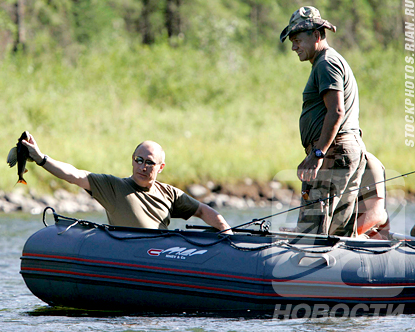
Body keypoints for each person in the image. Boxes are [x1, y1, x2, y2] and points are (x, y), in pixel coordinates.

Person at [21, 134, 233, 234]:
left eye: (149, 163)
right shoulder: (113, 187)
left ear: (160, 167)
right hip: (127, 257)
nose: (142, 166)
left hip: (161, 258)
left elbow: (204, 211)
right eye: (138, 160)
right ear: (132, 160)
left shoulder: (170, 194)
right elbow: (74, 175)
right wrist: (41, 159)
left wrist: (225, 230)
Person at [280, 6, 366, 237]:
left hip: (333, 153)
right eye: (292, 41)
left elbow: (337, 111)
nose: (293, 46)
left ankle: (304, 271)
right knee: (339, 235)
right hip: (344, 151)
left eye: (297, 39)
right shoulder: (330, 61)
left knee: (311, 233)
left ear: (317, 35)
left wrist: (317, 155)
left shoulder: (326, 63)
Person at [356, 152, 390, 239]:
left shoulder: (369, 164)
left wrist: (347, 235)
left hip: (365, 233)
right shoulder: (321, 161)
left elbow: (375, 214)